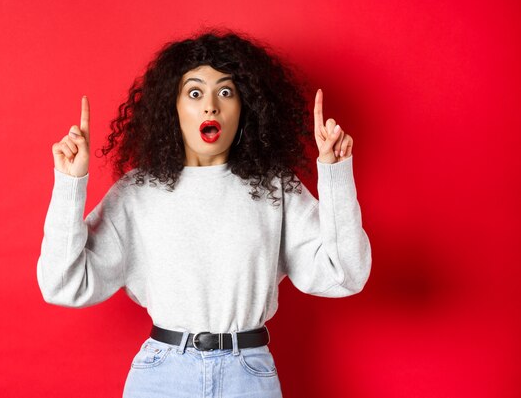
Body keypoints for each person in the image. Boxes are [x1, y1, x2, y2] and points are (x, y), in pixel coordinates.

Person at [36, 29, 372, 398]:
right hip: (162, 376)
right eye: (195, 93)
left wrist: (336, 174)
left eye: (225, 92)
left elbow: (345, 275)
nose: (210, 105)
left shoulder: (274, 187)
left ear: (244, 107)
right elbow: (62, 285)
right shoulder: (138, 192)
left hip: (249, 375)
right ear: (174, 107)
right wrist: (71, 184)